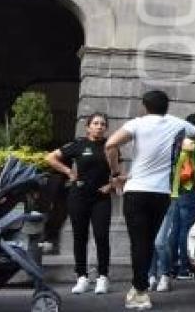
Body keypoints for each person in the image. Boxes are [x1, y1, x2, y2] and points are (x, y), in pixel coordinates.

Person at [105, 90, 195, 310]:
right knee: (148, 242)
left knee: (139, 242)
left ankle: (140, 291)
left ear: (144, 106)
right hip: (161, 194)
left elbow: (110, 144)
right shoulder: (178, 124)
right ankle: (138, 288)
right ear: (167, 106)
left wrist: (115, 173)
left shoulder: (137, 123)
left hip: (137, 191)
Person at [45, 112, 113, 295]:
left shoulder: (111, 146)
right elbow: (50, 158)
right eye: (96, 123)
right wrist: (68, 171)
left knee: (101, 236)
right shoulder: (78, 144)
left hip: (101, 198)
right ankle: (81, 277)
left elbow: (117, 173)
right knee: (79, 236)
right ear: (88, 127)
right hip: (79, 196)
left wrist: (111, 184)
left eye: (103, 124)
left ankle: (102, 277)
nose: (99, 126)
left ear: (106, 128)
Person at [149, 114, 195, 292]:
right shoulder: (189, 142)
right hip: (182, 190)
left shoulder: (179, 142)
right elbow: (190, 170)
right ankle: (175, 269)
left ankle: (166, 271)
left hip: (172, 193)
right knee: (180, 231)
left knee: (165, 236)